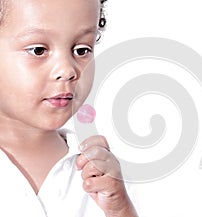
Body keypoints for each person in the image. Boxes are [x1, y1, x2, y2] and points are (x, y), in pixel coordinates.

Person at [0, 0, 138, 216]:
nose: (67, 70)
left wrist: (120, 209)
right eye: (38, 50)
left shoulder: (103, 175)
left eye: (82, 50)